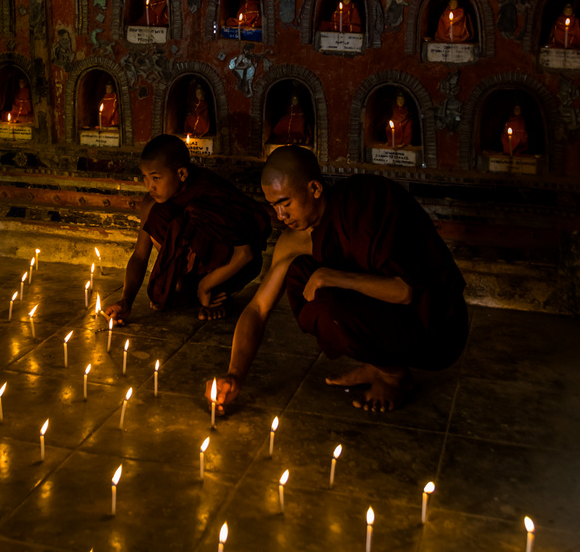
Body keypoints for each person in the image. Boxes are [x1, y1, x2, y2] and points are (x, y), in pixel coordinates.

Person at [205, 146, 468, 414]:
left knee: (329, 303)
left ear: (315, 189)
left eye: (285, 203)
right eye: (273, 206)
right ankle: (379, 362)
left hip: (434, 323)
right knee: (307, 283)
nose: (280, 216)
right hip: (387, 316)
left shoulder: (364, 207)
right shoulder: (293, 241)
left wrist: (333, 276)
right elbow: (258, 309)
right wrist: (235, 374)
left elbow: (405, 292)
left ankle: (393, 375)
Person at [104, 135, 270, 322]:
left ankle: (216, 294)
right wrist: (126, 300)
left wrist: (206, 285)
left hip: (236, 267)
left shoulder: (208, 191)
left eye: (156, 178)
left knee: (194, 212)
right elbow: (140, 256)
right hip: (195, 269)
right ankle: (184, 289)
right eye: (145, 177)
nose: (149, 187)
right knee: (158, 216)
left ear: (182, 174)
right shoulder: (151, 203)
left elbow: (246, 253)